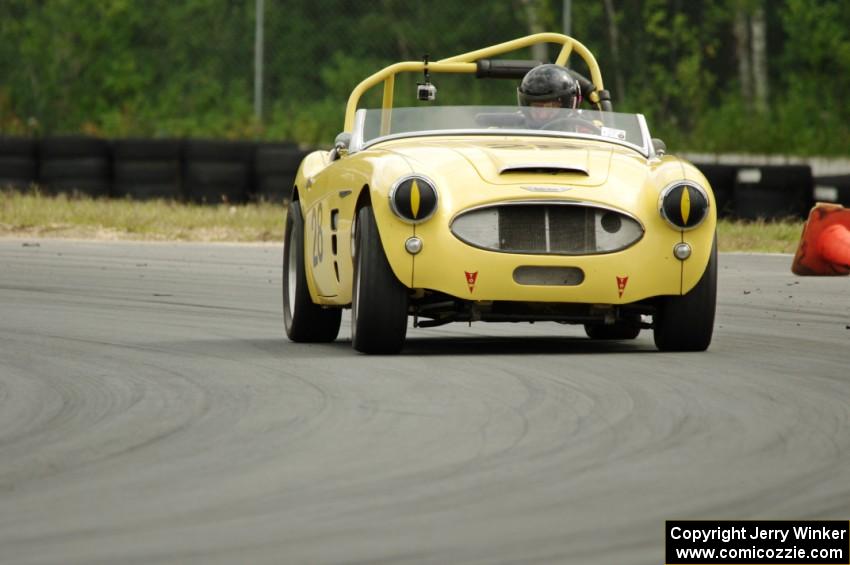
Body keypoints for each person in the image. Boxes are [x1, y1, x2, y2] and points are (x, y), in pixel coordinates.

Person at [517, 64, 584, 129]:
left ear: (570, 104)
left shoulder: (583, 129)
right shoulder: (515, 128)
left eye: (551, 107)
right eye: (536, 107)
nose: (543, 116)